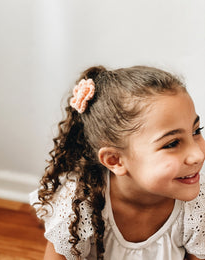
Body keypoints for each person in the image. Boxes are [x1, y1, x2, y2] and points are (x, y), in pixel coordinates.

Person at [30, 65, 205, 260]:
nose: (197, 155)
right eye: (172, 143)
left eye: (196, 131)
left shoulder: (197, 204)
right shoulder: (77, 205)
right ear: (115, 160)